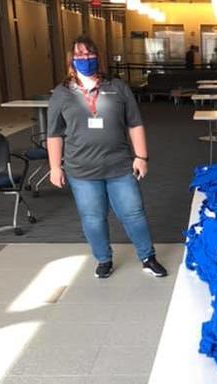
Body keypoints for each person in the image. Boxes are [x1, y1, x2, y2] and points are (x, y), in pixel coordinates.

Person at [46, 35, 167, 279]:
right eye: (80, 55)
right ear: (71, 60)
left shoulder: (117, 87)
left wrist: (141, 156)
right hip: (81, 169)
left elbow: (135, 124)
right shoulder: (62, 93)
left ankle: (147, 257)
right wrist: (55, 167)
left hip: (119, 165)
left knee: (133, 213)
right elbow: (54, 134)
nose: (85, 59)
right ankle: (103, 260)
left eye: (90, 55)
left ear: (98, 57)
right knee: (93, 217)